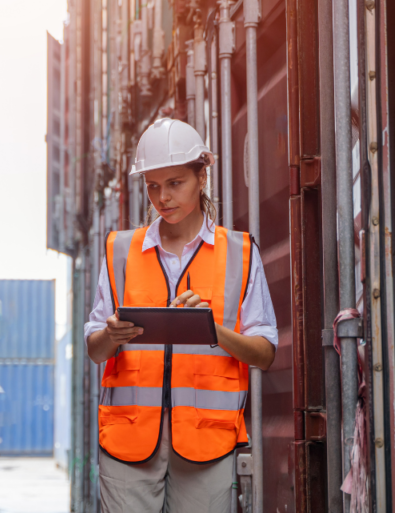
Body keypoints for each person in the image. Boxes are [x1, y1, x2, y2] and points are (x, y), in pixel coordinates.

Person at [85, 118, 278, 513]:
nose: (162, 198)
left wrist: (212, 330)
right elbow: (95, 350)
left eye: (175, 183)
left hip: (207, 444)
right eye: (152, 186)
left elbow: (265, 353)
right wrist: (112, 335)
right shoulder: (120, 251)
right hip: (128, 441)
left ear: (201, 176)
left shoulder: (239, 254)